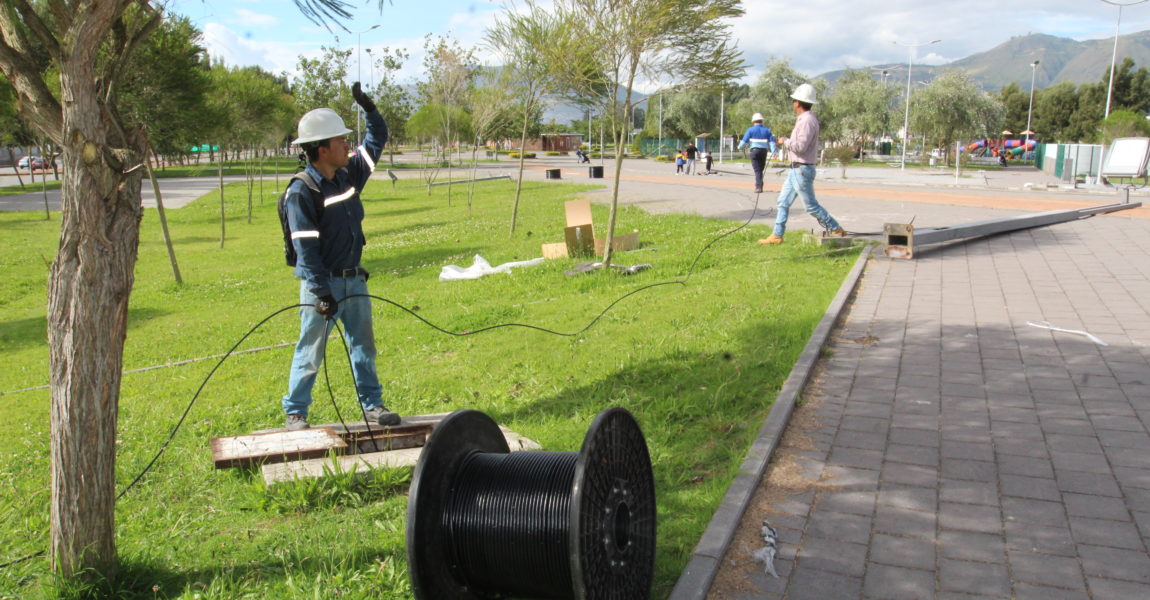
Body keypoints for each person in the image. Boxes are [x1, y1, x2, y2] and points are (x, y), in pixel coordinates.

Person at [281, 82, 401, 430]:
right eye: (340, 141)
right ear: (320, 149)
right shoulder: (302, 191)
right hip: (323, 285)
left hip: (355, 281)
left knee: (364, 346)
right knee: (310, 350)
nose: (347, 145)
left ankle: (373, 406)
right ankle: (296, 413)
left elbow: (377, 139)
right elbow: (306, 250)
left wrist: (370, 109)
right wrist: (321, 293)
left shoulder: (348, 176)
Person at [760, 83, 845, 245]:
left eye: (793, 100)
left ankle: (835, 228)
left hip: (802, 169)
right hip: (796, 169)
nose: (792, 103)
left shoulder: (807, 121)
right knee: (783, 202)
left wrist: (785, 141)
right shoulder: (805, 119)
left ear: (798, 102)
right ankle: (777, 235)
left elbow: (800, 147)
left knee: (811, 206)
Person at [737, 112, 777, 193]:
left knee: (757, 170)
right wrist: (774, 152)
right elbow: (772, 142)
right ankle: (759, 185)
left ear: (753, 121)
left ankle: (758, 186)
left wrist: (739, 147)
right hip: (763, 152)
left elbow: (744, 141)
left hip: (754, 151)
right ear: (762, 121)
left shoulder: (750, 130)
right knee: (760, 169)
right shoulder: (767, 130)